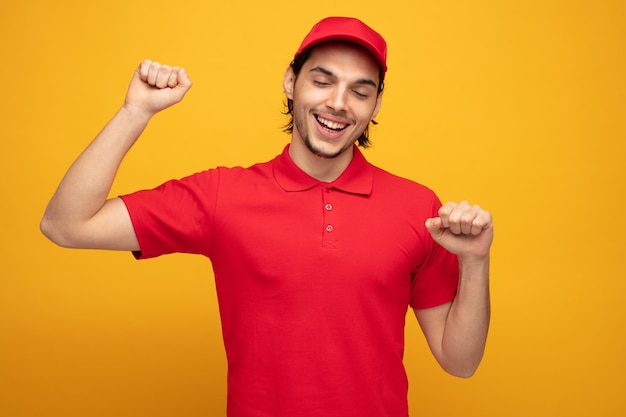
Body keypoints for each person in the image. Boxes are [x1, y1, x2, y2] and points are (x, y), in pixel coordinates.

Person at [41, 16, 492, 417]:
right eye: (322, 80)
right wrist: (135, 111)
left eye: (361, 91)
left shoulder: (418, 206)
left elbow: (461, 362)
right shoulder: (222, 195)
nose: (339, 103)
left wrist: (475, 262)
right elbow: (66, 225)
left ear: (375, 107)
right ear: (290, 82)